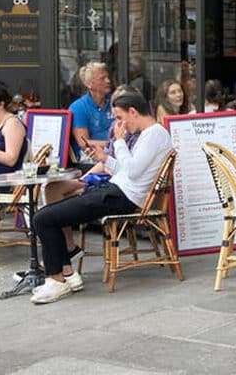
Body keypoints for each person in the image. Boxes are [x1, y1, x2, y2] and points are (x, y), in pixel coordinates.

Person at [30, 92, 172, 304]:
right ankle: (66, 274)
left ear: (133, 112)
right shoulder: (151, 133)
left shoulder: (154, 134)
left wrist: (120, 143)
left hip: (121, 197)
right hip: (115, 190)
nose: (117, 124)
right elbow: (129, 170)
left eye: (119, 117)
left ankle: (58, 280)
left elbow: (132, 172)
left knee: (44, 218)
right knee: (50, 214)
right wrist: (106, 159)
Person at [68, 62, 113, 156]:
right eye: (102, 78)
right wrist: (114, 145)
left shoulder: (114, 102)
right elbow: (84, 143)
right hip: (90, 160)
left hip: (114, 156)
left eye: (107, 77)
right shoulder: (78, 107)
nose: (108, 81)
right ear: (89, 84)